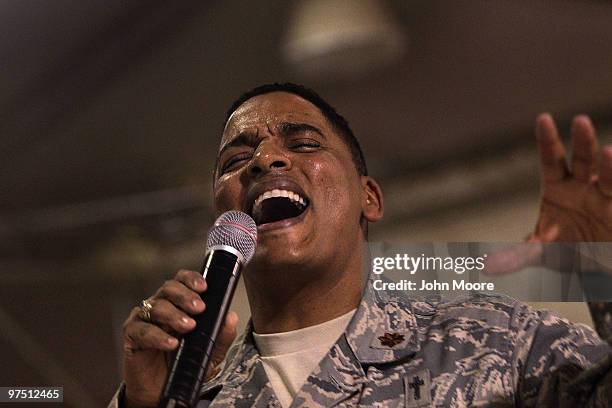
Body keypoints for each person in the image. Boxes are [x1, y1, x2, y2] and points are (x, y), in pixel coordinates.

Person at [109, 83, 612, 407]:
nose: (264, 160)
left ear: (368, 198)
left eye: (303, 143)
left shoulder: (496, 342)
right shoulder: (196, 395)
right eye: (236, 159)